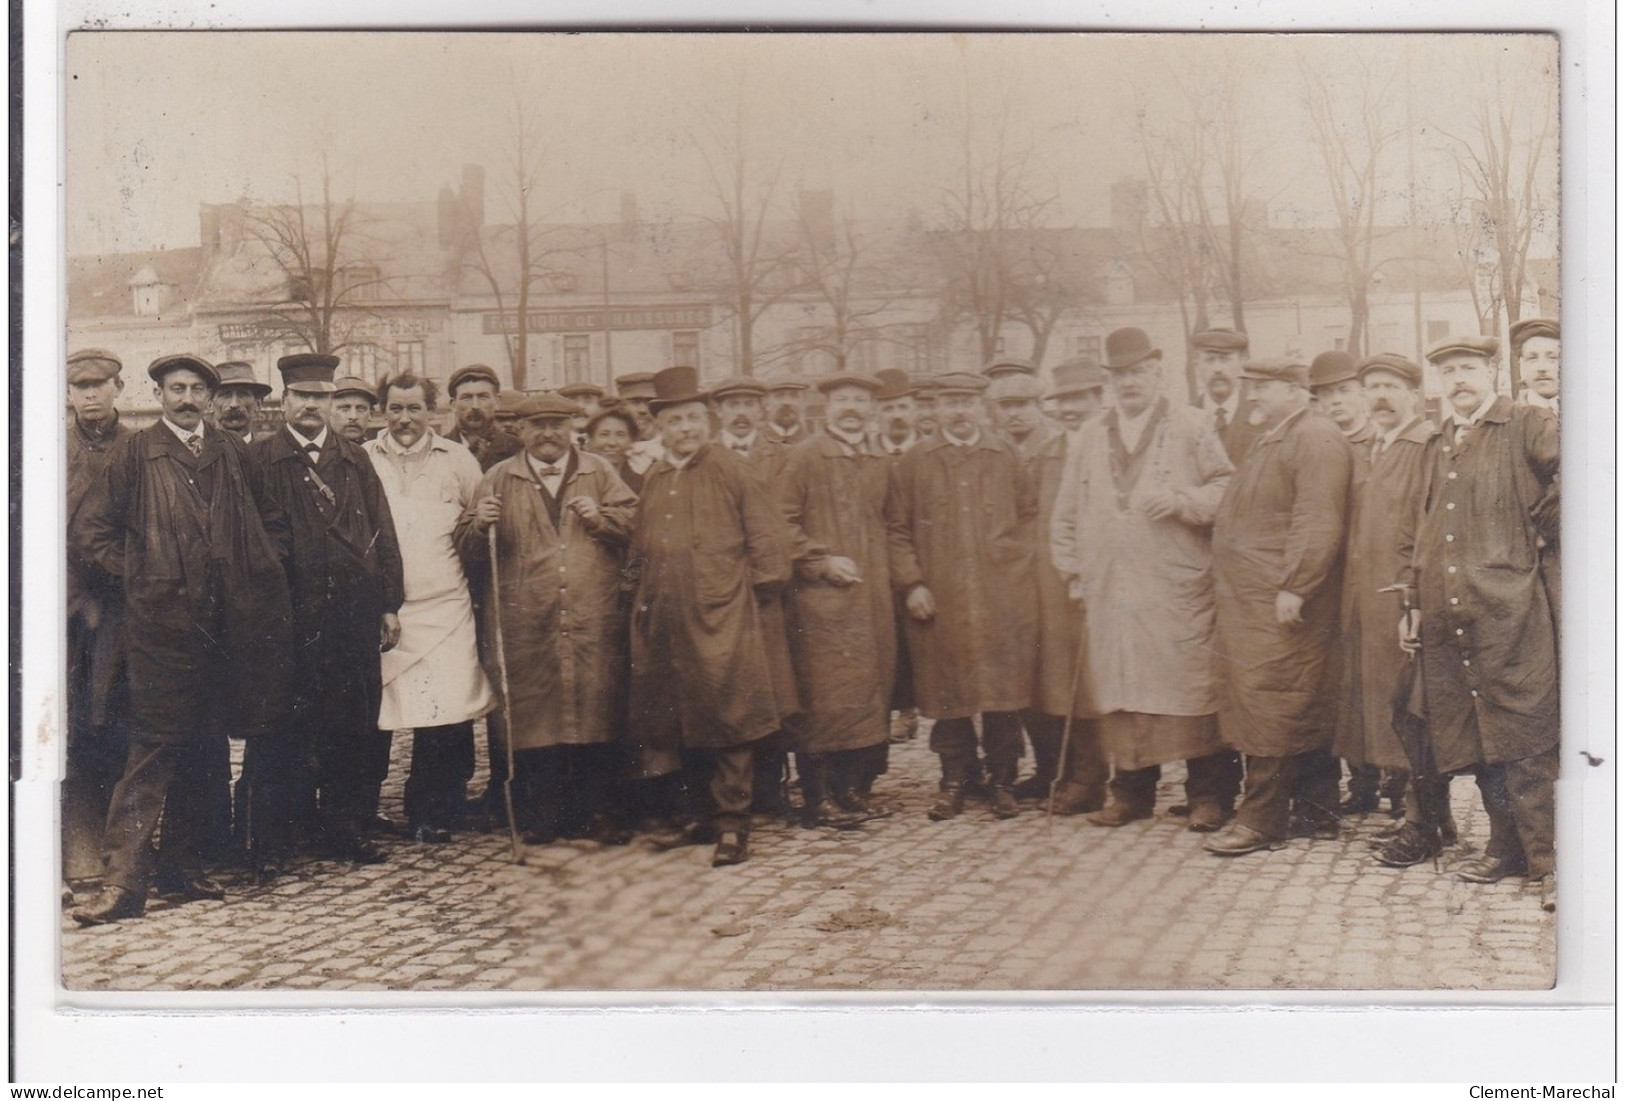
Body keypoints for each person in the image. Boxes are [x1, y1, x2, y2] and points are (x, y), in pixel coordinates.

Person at [71, 354, 294, 924]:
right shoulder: (136, 452)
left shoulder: (232, 453)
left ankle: (182, 866)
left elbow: (272, 525)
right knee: (152, 752)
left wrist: (255, 571)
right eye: (177, 389)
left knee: (204, 751)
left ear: (212, 398)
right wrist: (141, 577)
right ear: (160, 394)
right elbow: (92, 532)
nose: (188, 398)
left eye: (198, 389)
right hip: (161, 630)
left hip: (224, 630)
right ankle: (124, 884)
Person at [1051, 329, 1239, 829]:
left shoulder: (1193, 425)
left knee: (1190, 688)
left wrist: (1182, 500)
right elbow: (1066, 511)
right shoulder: (1091, 434)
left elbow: (1227, 488)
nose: (1129, 383)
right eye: (1120, 375)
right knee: (1123, 688)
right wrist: (1073, 570)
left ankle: (1209, 794)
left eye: (1138, 373)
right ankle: (1132, 793)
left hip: (1174, 584)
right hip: (1111, 587)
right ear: (1109, 382)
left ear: (1157, 373)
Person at [1400, 335, 1558, 911]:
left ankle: (1552, 864)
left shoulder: (1526, 422)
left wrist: (1545, 526)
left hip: (1511, 608)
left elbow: (1586, 471)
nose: (1458, 379)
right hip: (1451, 612)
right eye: (1448, 372)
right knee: (1478, 732)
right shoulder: (1440, 440)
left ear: (1491, 370)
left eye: (1468, 368)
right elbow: (1422, 530)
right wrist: (1414, 603)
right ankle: (1505, 847)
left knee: (1525, 734)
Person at [626, 366, 795, 867]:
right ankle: (697, 814)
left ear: (708, 420)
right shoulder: (657, 475)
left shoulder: (731, 469)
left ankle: (732, 825)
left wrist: (757, 599)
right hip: (668, 618)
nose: (687, 428)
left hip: (725, 615)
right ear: (660, 427)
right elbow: (639, 543)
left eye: (695, 418)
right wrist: (631, 591)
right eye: (676, 420)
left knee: (729, 719)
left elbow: (768, 539)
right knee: (683, 718)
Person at [457, 392, 638, 846]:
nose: (548, 434)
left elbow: (637, 521)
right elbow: (467, 548)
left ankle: (597, 811)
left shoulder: (599, 471)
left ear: (572, 428)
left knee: (594, 710)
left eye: (557, 424)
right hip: (527, 620)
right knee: (536, 717)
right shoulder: (499, 477)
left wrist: (602, 519)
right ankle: (544, 813)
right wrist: (480, 523)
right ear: (521, 431)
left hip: (591, 615)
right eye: (537, 425)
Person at [249, 353, 404, 867]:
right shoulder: (262, 460)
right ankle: (276, 838)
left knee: (350, 727)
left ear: (331, 403)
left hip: (351, 617)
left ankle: (344, 828)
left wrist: (388, 604)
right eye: (302, 397)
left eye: (321, 398)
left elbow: (382, 530)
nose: (311, 407)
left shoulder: (354, 459)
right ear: (284, 401)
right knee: (285, 729)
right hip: (290, 620)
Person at [1205, 357, 1352, 856]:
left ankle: (1261, 820)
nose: (1253, 397)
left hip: (1281, 597)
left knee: (1272, 700)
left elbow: (1317, 517)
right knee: (1293, 698)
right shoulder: (1277, 436)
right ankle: (1319, 810)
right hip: (1255, 597)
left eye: (1263, 387)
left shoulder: (1314, 437)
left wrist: (1296, 584)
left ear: (1294, 390)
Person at [887, 372, 1039, 821]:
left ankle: (1004, 781)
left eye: (967, 402)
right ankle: (954, 780)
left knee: (1002, 694)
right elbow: (897, 530)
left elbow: (1030, 517)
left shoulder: (1004, 455)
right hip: (942, 598)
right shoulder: (916, 461)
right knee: (947, 692)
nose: (959, 410)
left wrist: (1015, 567)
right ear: (936, 408)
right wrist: (912, 583)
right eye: (950, 401)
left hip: (998, 597)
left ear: (981, 406)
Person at [364, 373, 494, 844]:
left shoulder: (459, 461)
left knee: (441, 715)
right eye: (395, 408)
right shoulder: (362, 460)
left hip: (445, 605)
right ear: (382, 411)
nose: (404, 419)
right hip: (385, 610)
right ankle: (363, 809)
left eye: (414, 409)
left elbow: (476, 530)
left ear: (432, 412)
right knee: (376, 712)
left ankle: (429, 811)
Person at [1329, 354, 1445, 865]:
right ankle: (1419, 819)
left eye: (1392, 387)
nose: (1380, 396)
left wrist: (1412, 597)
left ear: (1414, 396)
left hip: (1402, 603)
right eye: (1372, 386)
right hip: (1366, 603)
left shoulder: (1424, 447)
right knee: (1385, 711)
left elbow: (1425, 529)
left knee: (1415, 714)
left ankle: (1427, 824)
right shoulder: (1371, 448)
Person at [776, 371, 897, 827]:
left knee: (865, 696)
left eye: (860, 401)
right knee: (823, 699)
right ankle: (817, 796)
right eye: (842, 400)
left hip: (871, 598)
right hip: (819, 601)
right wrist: (820, 562)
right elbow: (780, 523)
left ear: (872, 410)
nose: (851, 408)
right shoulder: (805, 456)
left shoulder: (879, 458)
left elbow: (893, 523)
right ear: (826, 408)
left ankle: (850, 789)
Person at [1017, 357, 1111, 813]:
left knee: (1091, 682)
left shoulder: (1114, 447)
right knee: (1054, 680)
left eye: (1080, 399)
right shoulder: (1047, 453)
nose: (1071, 408)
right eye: (1064, 401)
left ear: (1099, 399)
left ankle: (1092, 780)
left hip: (1102, 581)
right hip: (1050, 585)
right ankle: (1058, 772)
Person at [707, 373, 801, 819]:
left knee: (773, 689)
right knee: (730, 689)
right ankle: (728, 792)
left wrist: (770, 574)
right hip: (720, 592)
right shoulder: (705, 457)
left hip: (768, 590)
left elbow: (783, 522)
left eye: (749, 404)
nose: (741, 412)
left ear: (761, 410)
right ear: (719, 412)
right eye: (732, 405)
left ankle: (772, 784)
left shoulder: (784, 457)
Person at [1309, 349, 1394, 815]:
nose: (1336, 403)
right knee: (1346, 686)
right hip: (1334, 583)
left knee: (1383, 681)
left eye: (1344, 392)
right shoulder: (1317, 446)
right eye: (1326, 396)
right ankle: (1361, 783)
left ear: (1361, 393)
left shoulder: (1378, 443)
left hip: (1376, 579)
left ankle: (1399, 783)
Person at [63, 349, 133, 895]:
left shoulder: (137, 447)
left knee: (111, 719)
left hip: (118, 605)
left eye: (98, 384)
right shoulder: (48, 446)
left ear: (118, 387)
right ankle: (75, 850)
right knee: (65, 726)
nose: (89, 395)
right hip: (60, 607)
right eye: (79, 386)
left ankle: (120, 847)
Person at [869, 368, 923, 744]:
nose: (896, 415)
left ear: (915, 409)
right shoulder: (868, 453)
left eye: (902, 407)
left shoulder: (929, 452)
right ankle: (896, 706)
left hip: (925, 558)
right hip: (880, 560)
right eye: (888, 409)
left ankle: (917, 704)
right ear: (878, 414)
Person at [1191, 328, 1260, 464]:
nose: (1218, 368)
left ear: (1242, 363)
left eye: (1225, 359)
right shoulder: (1185, 417)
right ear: (1197, 365)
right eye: (1210, 360)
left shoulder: (1261, 414)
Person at [443, 364, 522, 472]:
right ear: (453, 405)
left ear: (497, 402)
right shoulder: (438, 450)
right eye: (467, 398)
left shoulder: (518, 449)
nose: (475, 406)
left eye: (483, 397)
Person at [989, 371, 1055, 462]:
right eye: (1005, 406)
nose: (1012, 413)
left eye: (1021, 405)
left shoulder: (1055, 443)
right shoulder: (992, 445)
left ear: (1039, 406)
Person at [583, 406, 646, 494]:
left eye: (620, 435)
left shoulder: (642, 484)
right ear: (590, 440)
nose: (612, 443)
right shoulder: (578, 481)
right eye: (604, 434)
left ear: (631, 441)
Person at [209, 361, 273, 445]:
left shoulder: (270, 454)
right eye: (225, 395)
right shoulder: (199, 453)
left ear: (258, 404)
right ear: (209, 404)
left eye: (243, 394)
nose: (234, 404)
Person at [1512, 317, 1560, 414]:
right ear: (1522, 366)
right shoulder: (1506, 422)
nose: (1542, 368)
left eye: (1552, 358)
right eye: (1532, 358)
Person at [329, 375, 380, 445]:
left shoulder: (375, 452)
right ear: (328, 412)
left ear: (370, 414)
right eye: (344, 409)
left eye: (360, 409)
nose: (353, 416)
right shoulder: (316, 452)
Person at [762, 375, 810, 447]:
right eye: (779, 396)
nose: (786, 402)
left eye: (794, 395)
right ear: (766, 403)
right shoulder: (753, 444)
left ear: (804, 402)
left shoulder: (815, 444)